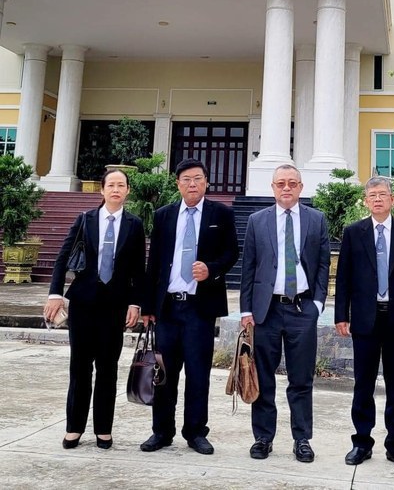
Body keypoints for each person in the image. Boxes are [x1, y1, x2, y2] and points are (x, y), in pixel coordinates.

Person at [139, 158, 239, 455]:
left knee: (198, 374)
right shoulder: (164, 215)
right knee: (163, 374)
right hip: (168, 308)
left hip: (200, 308)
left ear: (206, 182)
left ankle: (195, 432)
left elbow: (232, 253)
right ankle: (161, 431)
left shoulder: (221, 213)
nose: (192, 184)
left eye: (197, 178)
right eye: (186, 179)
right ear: (178, 184)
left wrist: (211, 269)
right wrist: (148, 306)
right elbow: (154, 262)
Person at [44, 169, 145, 450]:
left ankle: (103, 429)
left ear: (127, 191)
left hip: (115, 306)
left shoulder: (134, 224)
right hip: (83, 303)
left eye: (121, 185)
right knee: (79, 367)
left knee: (108, 368)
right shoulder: (85, 219)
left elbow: (139, 268)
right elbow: (63, 256)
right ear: (102, 190)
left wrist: (135, 303)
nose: (116, 189)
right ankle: (74, 427)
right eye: (111, 185)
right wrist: (55, 294)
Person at [334, 176, 394, 470]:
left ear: (392, 200)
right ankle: (361, 442)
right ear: (366, 201)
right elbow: (344, 277)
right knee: (363, 384)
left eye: (382, 194)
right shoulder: (354, 232)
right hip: (365, 320)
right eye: (372, 195)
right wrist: (341, 315)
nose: (377, 199)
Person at [240, 164, 330, 463]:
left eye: (292, 183)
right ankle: (263, 437)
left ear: (301, 187)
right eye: (281, 183)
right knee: (264, 378)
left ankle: (302, 439)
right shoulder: (257, 221)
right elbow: (249, 267)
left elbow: (323, 264)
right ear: (273, 188)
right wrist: (246, 310)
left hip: (302, 309)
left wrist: (318, 304)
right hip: (266, 311)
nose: (287, 188)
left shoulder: (316, 219)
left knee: (301, 379)